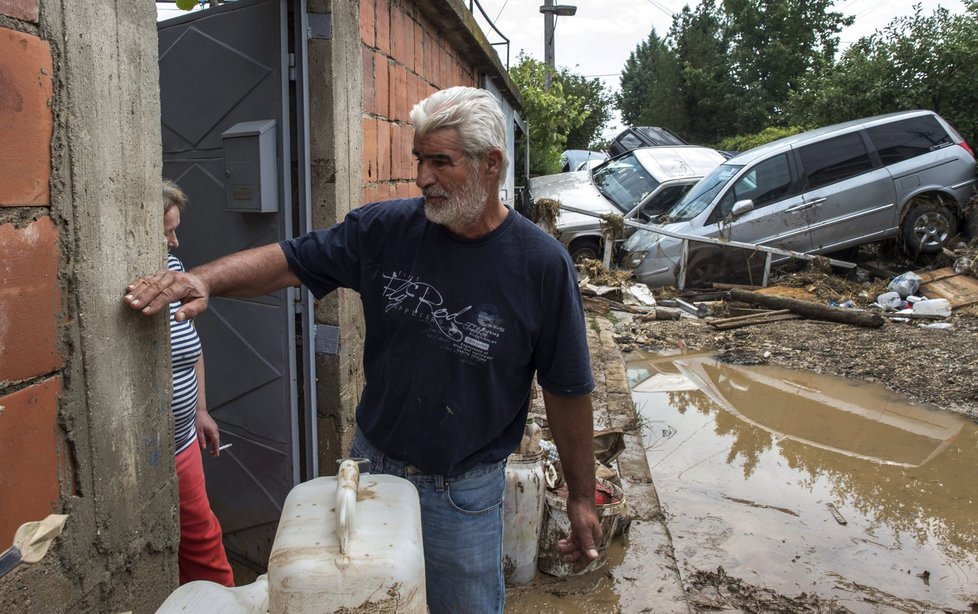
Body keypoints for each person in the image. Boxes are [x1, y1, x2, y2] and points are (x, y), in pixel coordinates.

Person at [127, 88, 600, 612]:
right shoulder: (386, 230)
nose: (422, 177)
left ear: (491, 164)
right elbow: (292, 259)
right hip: (369, 471)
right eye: (419, 160)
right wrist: (204, 280)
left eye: (440, 161)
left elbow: (567, 390)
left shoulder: (542, 265)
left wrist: (581, 496)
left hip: (461, 493)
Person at [162, 180, 235, 587]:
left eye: (176, 229)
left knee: (202, 539)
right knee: (186, 546)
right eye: (166, 231)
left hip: (184, 438)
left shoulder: (173, 272)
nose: (175, 241)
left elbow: (193, 347)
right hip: (159, 450)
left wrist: (201, 411)